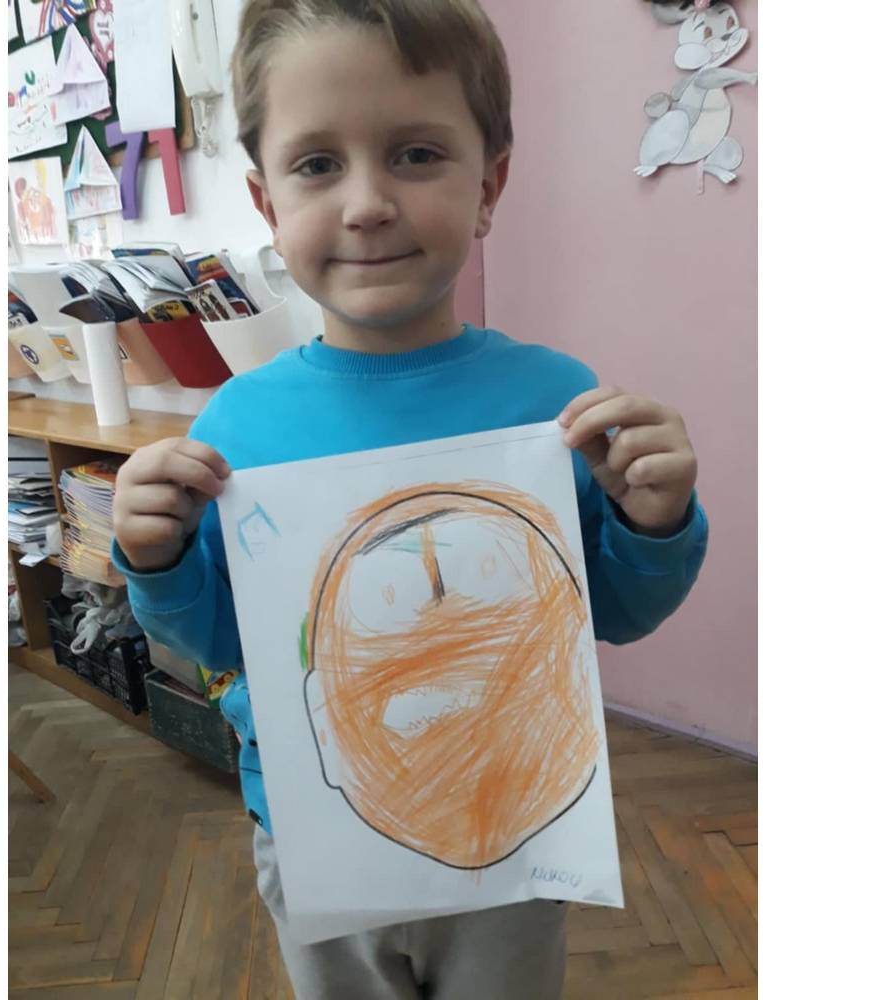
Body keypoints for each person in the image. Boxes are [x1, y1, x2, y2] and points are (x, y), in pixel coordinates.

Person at [112, 2, 708, 997]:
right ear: (266, 204)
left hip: (521, 833)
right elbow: (220, 640)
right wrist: (158, 559)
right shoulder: (235, 427)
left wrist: (655, 521)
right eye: (316, 165)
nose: (367, 204)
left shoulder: (557, 403)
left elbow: (611, 612)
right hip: (316, 836)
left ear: (489, 186)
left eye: (417, 154)